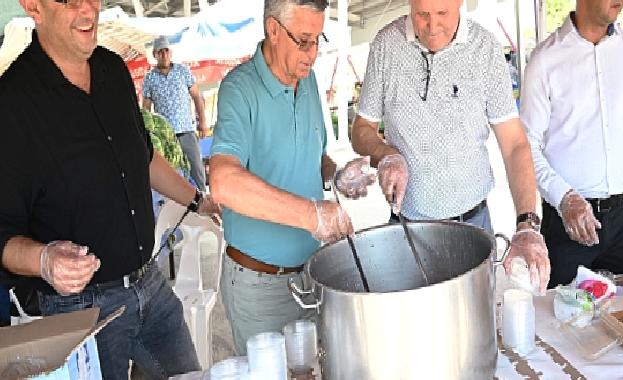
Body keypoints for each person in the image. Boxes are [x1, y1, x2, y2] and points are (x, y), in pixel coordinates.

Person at [0, 0, 218, 377]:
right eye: (69, 0)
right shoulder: (12, 103)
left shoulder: (112, 68)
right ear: (33, 6)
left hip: (149, 282)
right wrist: (44, 259)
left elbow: (144, 157)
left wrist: (199, 200)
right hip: (80, 311)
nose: (88, 10)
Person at [338, 0, 550, 291]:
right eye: (422, 15)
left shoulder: (485, 49)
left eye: (442, 14)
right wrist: (386, 154)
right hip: (407, 229)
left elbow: (514, 144)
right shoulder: (386, 45)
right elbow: (362, 129)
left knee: (477, 325)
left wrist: (526, 224)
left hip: (474, 224)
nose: (433, 27)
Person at [209, 0, 360, 354]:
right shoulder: (239, 89)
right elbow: (223, 182)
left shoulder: (306, 82)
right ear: (273, 30)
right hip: (260, 284)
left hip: (311, 273)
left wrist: (336, 175)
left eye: (318, 40)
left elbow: (313, 155)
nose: (313, 54)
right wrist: (313, 214)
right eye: (303, 41)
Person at [521, 0, 623, 287]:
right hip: (566, 224)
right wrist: (565, 198)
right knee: (563, 323)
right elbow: (526, 148)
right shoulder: (544, 60)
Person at [143, 36, 208, 192]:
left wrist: (203, 122)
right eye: (160, 52)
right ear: (155, 55)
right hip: (166, 138)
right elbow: (145, 110)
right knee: (172, 177)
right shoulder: (149, 78)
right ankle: (181, 211)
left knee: (197, 171)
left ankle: (205, 205)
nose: (164, 55)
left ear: (170, 53)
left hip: (186, 131)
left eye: (166, 51)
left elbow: (197, 96)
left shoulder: (182, 71)